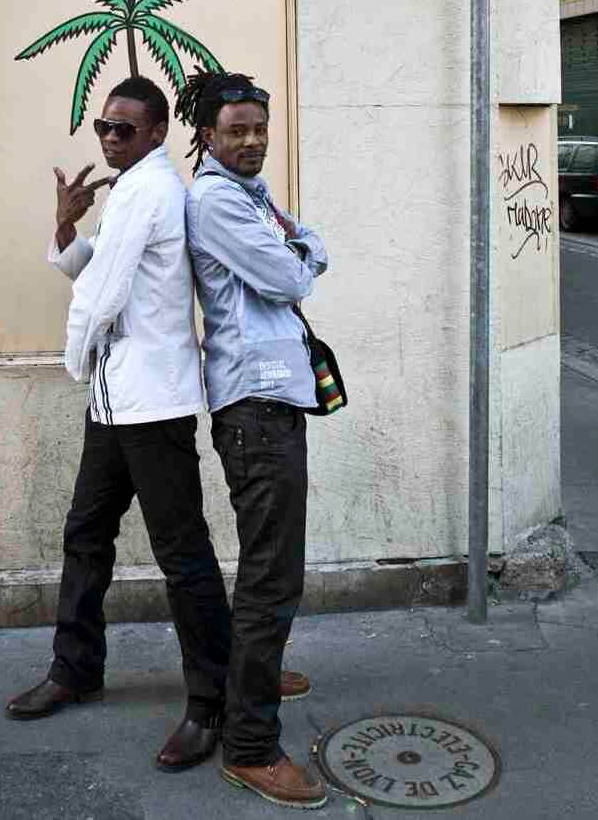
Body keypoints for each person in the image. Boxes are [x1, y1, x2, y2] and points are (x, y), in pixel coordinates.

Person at [4, 75, 234, 770]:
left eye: (124, 129)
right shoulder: (132, 190)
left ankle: (211, 705)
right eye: (104, 127)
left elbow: (100, 298)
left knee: (183, 557)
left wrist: (76, 358)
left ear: (158, 131)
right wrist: (65, 226)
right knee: (86, 534)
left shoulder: (151, 191)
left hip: (151, 409)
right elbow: (98, 269)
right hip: (115, 405)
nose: (109, 138)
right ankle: (76, 668)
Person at [177, 70, 329, 810]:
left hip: (272, 401)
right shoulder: (214, 200)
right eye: (236, 130)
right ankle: (250, 746)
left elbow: (303, 247)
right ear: (206, 134)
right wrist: (306, 255)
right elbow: (291, 274)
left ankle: (253, 676)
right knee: (273, 577)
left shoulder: (252, 193)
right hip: (255, 407)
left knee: (271, 567)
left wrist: (305, 251)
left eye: (259, 129)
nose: (252, 142)